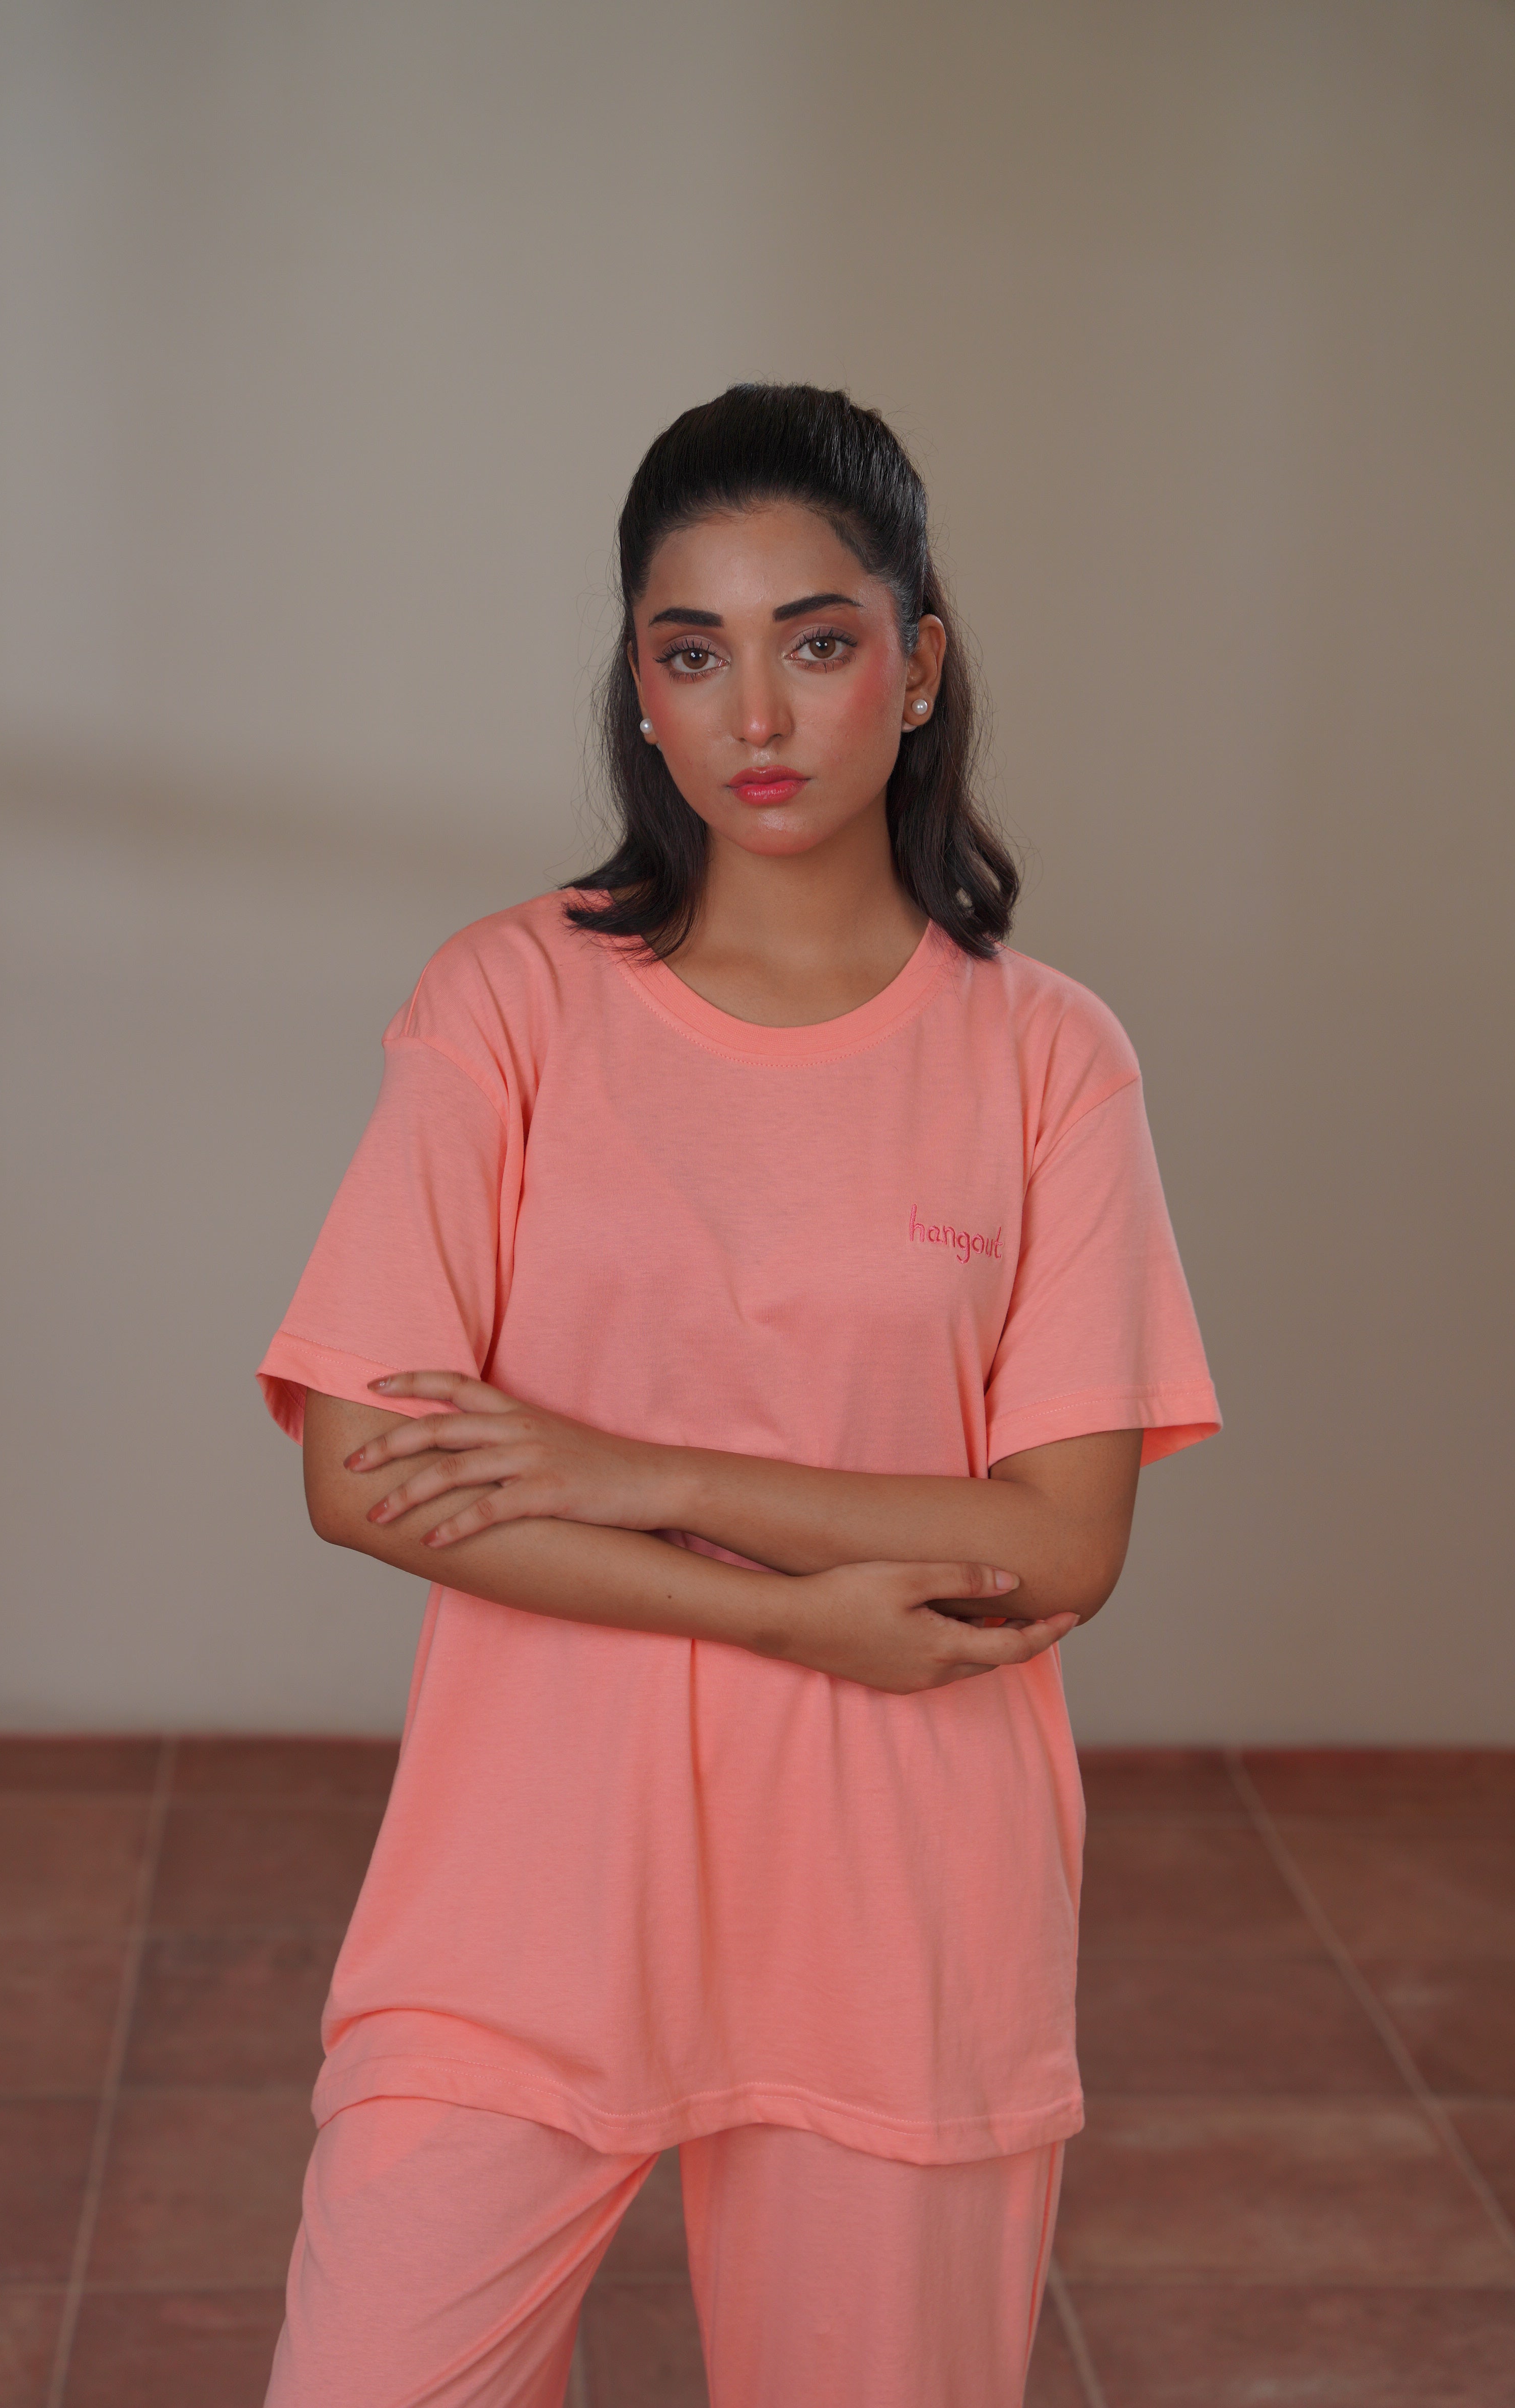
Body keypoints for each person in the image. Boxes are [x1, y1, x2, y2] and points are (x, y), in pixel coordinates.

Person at [257, 383, 1218, 2407]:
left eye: (818, 640)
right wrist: (791, 1613)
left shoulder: (1052, 1060)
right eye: (692, 653)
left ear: (919, 665)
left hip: (902, 1908)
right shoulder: (506, 1004)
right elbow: (364, 1470)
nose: (755, 714)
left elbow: (1059, 1539)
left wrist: (625, 1471)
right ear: (640, 685)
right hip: (523, 1886)